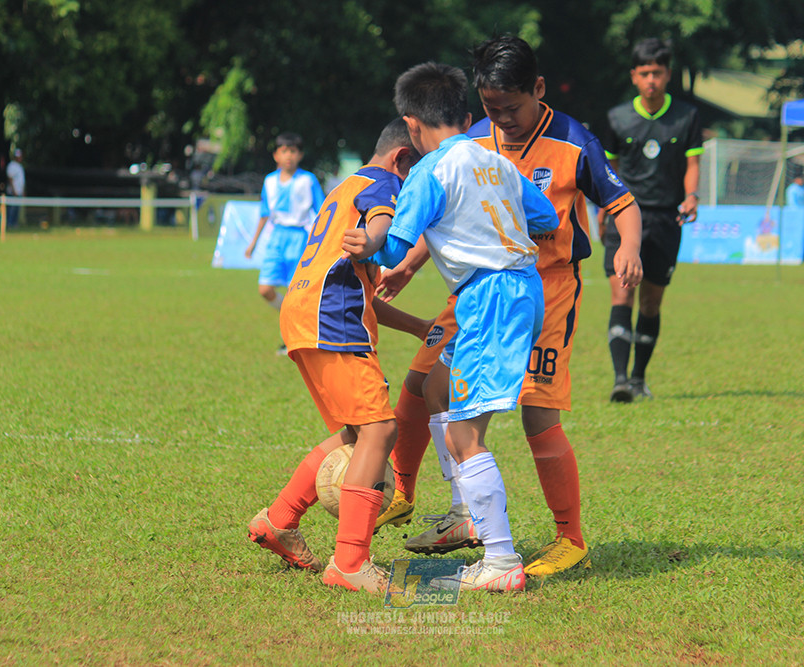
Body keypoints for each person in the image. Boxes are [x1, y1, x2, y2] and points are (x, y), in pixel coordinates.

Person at [377, 35, 643, 577]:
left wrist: (630, 248)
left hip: (545, 288)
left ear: (538, 89)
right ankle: (448, 508)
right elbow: (450, 213)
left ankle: (569, 537)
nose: (502, 120)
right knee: (424, 383)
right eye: (491, 109)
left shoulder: (573, 141)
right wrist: (408, 266)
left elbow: (622, 202)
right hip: (476, 288)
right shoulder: (474, 141)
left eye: (511, 108)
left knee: (536, 411)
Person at [348, 62, 559, 592]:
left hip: (491, 299)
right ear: (465, 118)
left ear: (410, 125)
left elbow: (393, 246)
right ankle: (466, 513)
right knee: (436, 387)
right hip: (521, 289)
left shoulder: (429, 171)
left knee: (466, 435)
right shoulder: (494, 159)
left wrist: (367, 244)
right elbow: (546, 218)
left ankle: (501, 562)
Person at [247, 119, 424, 594]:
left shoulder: (343, 188)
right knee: (381, 431)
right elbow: (380, 224)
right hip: (332, 318)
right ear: (402, 159)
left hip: (304, 312)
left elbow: (362, 290)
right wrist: (380, 236)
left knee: (357, 434)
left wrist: (420, 327)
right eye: (416, 175)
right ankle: (350, 562)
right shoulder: (384, 182)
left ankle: (279, 520)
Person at [598, 38, 703, 402]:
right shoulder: (617, 118)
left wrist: (692, 196)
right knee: (622, 293)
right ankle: (620, 381)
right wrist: (604, 209)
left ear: (668, 74)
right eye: (644, 73)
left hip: (665, 219)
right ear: (634, 76)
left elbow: (692, 163)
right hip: (624, 216)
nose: (651, 80)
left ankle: (639, 378)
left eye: (657, 73)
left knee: (651, 302)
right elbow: (609, 169)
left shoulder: (687, 116)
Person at [245, 132, 326, 353]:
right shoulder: (269, 181)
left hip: (300, 238)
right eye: (284, 151)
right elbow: (264, 213)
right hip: (276, 238)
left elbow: (322, 211)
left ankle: (291, 339)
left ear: (300, 155)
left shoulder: (308, 180)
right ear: (276, 155)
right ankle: (290, 317)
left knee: (295, 292)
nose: (288, 156)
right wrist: (253, 243)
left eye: (293, 151)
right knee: (265, 289)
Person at [6, 149, 26, 228]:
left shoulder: (20, 166)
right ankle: (9, 224)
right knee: (11, 209)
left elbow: (22, 181)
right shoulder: (11, 165)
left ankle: (14, 224)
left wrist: (22, 191)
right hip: (13, 192)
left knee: (17, 209)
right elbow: (10, 179)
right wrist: (14, 190)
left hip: (19, 192)